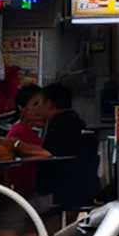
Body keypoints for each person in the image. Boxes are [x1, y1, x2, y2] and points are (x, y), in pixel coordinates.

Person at [0, 85, 52, 236]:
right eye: (35, 104)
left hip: (28, 190)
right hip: (21, 188)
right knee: (19, 223)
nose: (40, 110)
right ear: (22, 108)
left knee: (15, 224)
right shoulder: (19, 132)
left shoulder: (27, 132)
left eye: (42, 104)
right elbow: (44, 154)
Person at [37, 83, 93, 214]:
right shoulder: (73, 120)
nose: (38, 108)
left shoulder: (61, 123)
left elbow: (50, 153)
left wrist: (17, 145)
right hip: (76, 186)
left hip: (63, 188)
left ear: (50, 103)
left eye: (39, 103)